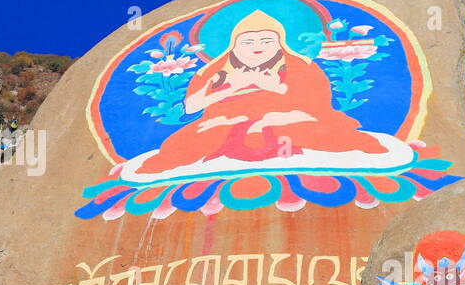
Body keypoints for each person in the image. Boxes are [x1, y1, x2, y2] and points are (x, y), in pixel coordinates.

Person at [137, 10, 386, 174]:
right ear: (234, 45)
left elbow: (319, 104)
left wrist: (275, 89)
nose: (257, 47)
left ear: (280, 43)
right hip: (222, 123)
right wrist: (230, 89)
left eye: (267, 41)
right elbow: (191, 107)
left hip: (291, 119)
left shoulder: (300, 66)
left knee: (314, 130)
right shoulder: (215, 72)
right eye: (248, 42)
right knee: (183, 144)